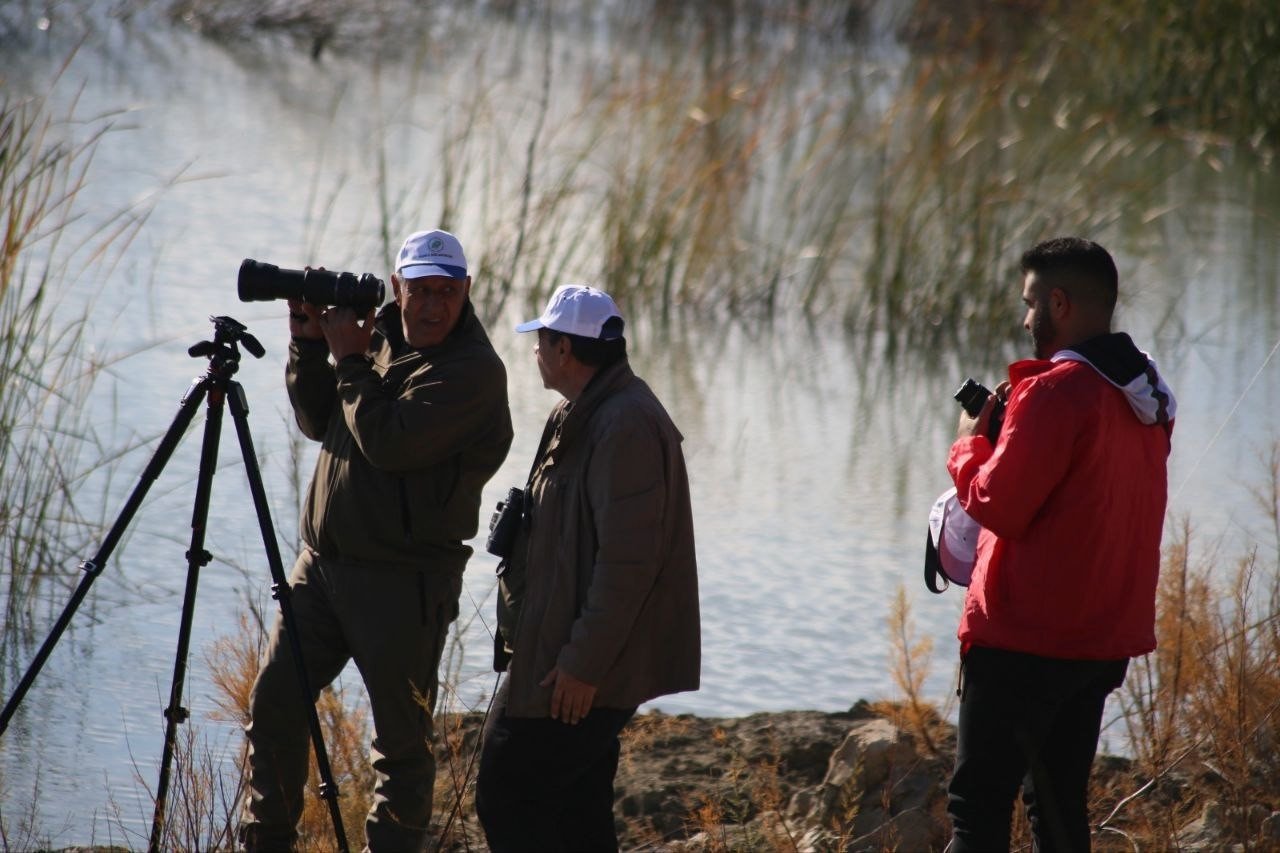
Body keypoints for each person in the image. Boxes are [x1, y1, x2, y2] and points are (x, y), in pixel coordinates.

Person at [239, 229, 513, 852]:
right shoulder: (376, 333)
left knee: (399, 747)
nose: (434, 305)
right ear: (398, 287)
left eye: (447, 291)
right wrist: (310, 347)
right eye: (421, 290)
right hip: (323, 568)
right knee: (275, 705)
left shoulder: (473, 372)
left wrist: (351, 360)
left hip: (402, 583)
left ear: (466, 291)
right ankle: (266, 843)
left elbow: (391, 444)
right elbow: (320, 422)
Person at [945, 237, 1176, 852]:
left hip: (1025, 639)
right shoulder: (1145, 394)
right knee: (1058, 807)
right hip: (1098, 640)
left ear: (1059, 301)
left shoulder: (1055, 391)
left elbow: (1000, 504)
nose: (1025, 320)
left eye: (1029, 305)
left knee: (977, 809)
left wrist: (969, 443)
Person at [474, 284, 701, 852]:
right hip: (560, 651)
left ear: (564, 351)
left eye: (540, 340)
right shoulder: (581, 410)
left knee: (506, 793)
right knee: (577, 812)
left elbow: (628, 564)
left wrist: (582, 665)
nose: (533, 351)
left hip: (580, 670)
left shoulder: (624, 425)